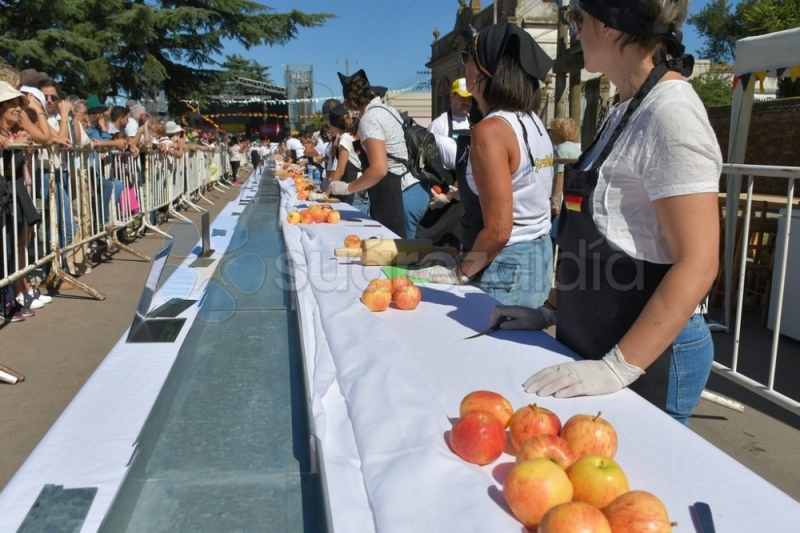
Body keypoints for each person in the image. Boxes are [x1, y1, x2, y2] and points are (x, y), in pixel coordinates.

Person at [489, 0, 722, 425]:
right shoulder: (624, 109)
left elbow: (700, 262)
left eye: (578, 18)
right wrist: (552, 310)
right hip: (598, 336)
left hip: (648, 356)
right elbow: (612, 235)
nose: (575, 29)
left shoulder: (671, 113)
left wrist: (618, 367)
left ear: (610, 25)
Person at [413, 22, 556, 308]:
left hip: (507, 263)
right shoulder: (533, 120)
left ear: (480, 72)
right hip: (537, 256)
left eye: (468, 56)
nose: (463, 64)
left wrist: (459, 273)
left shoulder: (490, 130)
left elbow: (499, 231)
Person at [328, 69, 429, 239]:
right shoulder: (388, 110)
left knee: (402, 258)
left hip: (402, 192)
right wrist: (364, 184)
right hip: (415, 188)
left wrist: (348, 188)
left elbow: (379, 169)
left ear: (352, 100)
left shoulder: (370, 119)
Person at [324, 105, 362, 204]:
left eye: (330, 125)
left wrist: (325, 194)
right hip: (359, 187)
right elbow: (359, 159)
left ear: (335, 124)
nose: (330, 128)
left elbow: (340, 170)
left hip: (350, 189)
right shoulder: (353, 135)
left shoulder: (345, 138)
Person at [548, 116, 581, 220]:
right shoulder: (576, 148)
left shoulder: (561, 149)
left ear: (559, 133)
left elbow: (560, 174)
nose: (551, 134)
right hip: (575, 194)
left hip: (564, 196)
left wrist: (554, 200)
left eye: (553, 131)